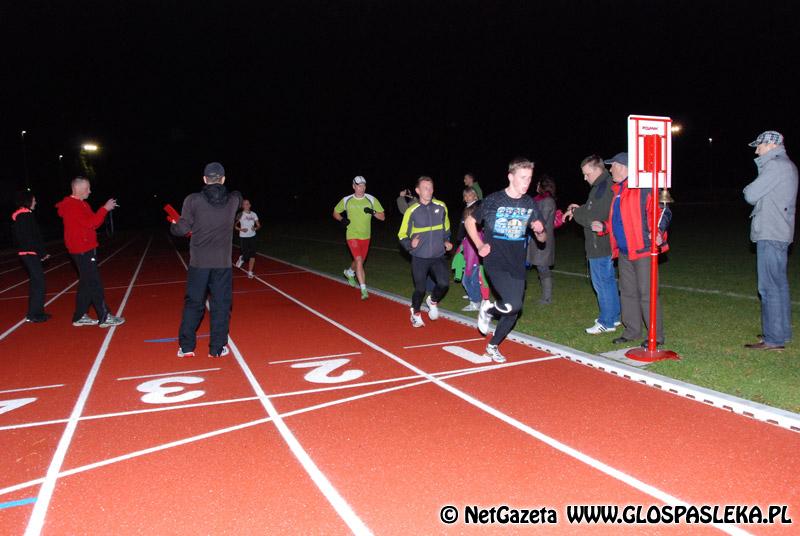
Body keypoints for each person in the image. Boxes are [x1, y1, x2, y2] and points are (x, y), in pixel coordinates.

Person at [465, 157, 546, 362]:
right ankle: (488, 309)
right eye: (523, 177)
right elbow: (469, 222)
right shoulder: (494, 200)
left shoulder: (529, 203)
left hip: (517, 263)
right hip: (495, 261)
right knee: (513, 304)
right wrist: (480, 245)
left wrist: (540, 230)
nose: (527, 182)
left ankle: (492, 345)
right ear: (511, 177)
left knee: (513, 311)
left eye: (529, 178)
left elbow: (542, 238)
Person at [590, 152, 671, 348]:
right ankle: (632, 331)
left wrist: (659, 231)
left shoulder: (643, 189)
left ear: (623, 167)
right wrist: (605, 227)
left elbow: (663, 211)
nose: (610, 169)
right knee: (627, 293)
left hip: (643, 250)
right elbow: (619, 220)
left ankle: (655, 336)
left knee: (647, 294)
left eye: (613, 165)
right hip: (625, 252)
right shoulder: (618, 191)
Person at [171, 162, 242, 358]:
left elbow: (182, 229)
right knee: (221, 306)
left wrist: (174, 225)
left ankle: (186, 347)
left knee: (194, 304)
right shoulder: (233, 201)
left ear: (204, 179)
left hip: (199, 264)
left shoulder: (193, 200)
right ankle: (217, 349)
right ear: (223, 179)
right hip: (222, 264)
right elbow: (238, 196)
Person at [742, 130, 798, 350]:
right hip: (780, 231)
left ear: (772, 145)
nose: (757, 151)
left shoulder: (775, 166)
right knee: (779, 285)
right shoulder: (787, 165)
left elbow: (750, 194)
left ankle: (773, 338)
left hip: (771, 232)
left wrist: (748, 187)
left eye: (760, 146)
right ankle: (781, 332)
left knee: (769, 287)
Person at [56, 176, 124, 328]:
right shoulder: (73, 206)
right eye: (87, 188)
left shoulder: (82, 204)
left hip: (85, 247)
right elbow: (91, 223)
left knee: (86, 282)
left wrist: (104, 211)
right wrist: (104, 209)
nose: (90, 191)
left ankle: (79, 316)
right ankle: (104, 316)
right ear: (78, 189)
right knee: (94, 282)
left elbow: (94, 223)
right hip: (82, 249)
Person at [564, 155, 621, 334]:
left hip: (599, 243)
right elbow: (592, 209)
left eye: (587, 174)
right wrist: (580, 208)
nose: (584, 178)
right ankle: (614, 316)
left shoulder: (603, 187)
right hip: (603, 242)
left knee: (602, 283)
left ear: (597, 170)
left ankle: (606, 322)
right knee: (608, 281)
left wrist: (576, 212)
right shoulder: (601, 185)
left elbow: (595, 216)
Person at [398, 175, 452, 327]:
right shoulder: (412, 211)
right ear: (418, 191)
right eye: (425, 188)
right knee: (420, 289)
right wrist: (410, 244)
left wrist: (446, 241)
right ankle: (415, 312)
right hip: (420, 257)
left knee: (444, 284)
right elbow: (401, 234)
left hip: (438, 255)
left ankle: (432, 301)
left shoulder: (441, 206)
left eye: (430, 188)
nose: (428, 191)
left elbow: (446, 229)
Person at [333, 176, 385, 300]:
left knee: (358, 261)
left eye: (363, 186)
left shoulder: (371, 199)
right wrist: (342, 219)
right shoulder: (347, 200)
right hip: (352, 235)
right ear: (353, 186)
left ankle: (349, 272)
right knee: (359, 260)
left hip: (366, 236)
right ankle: (363, 289)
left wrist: (372, 212)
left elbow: (382, 217)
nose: (361, 188)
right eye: (358, 186)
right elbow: (335, 212)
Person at [12, 191, 51, 323]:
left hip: (26, 253)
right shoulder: (26, 216)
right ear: (28, 201)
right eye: (34, 200)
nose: (35, 202)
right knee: (39, 284)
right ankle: (35, 314)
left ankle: (33, 313)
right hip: (30, 253)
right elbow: (34, 237)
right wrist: (42, 253)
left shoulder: (19, 216)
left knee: (36, 283)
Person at [527, 175, 557, 304]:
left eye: (538, 184)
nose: (536, 186)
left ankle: (547, 298)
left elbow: (542, 220)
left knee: (543, 268)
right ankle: (546, 296)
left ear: (543, 186)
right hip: (535, 239)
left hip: (543, 239)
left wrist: (528, 222)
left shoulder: (548, 201)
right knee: (540, 267)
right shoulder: (538, 200)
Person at [234, 198, 261, 279]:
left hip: (253, 236)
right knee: (246, 257)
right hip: (243, 237)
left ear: (250, 205)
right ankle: (242, 258)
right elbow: (235, 226)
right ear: (242, 206)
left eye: (247, 204)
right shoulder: (240, 214)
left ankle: (250, 272)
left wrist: (255, 228)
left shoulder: (254, 214)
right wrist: (241, 229)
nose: (246, 205)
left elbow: (259, 225)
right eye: (244, 204)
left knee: (252, 254)